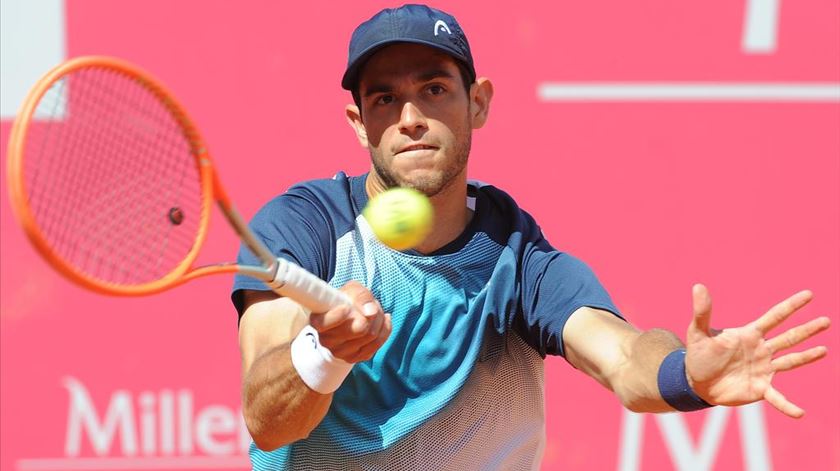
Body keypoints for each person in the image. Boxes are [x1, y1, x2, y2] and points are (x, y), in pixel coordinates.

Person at [231, 4, 831, 469]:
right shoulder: (303, 227)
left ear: (479, 102)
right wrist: (325, 352)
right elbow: (267, 417)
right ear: (360, 125)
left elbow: (624, 356)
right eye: (385, 99)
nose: (410, 117)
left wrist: (684, 374)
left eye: (433, 89)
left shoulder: (518, 261)